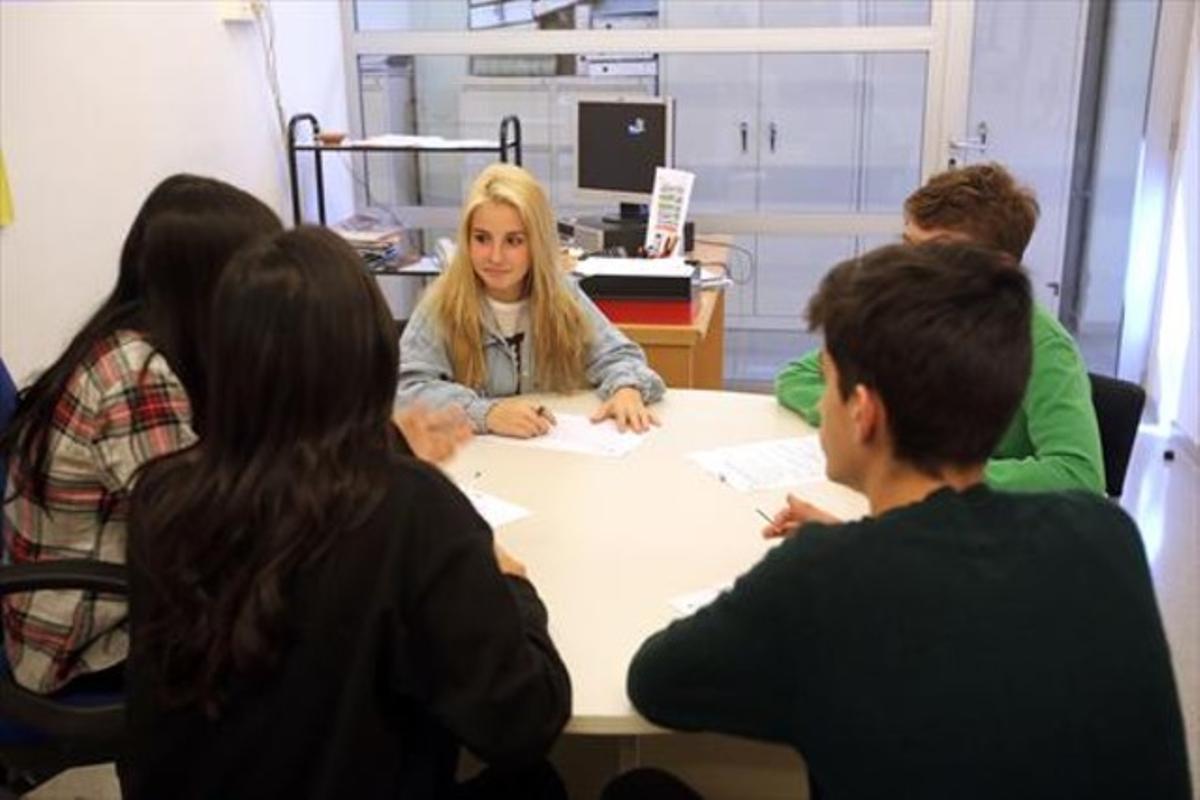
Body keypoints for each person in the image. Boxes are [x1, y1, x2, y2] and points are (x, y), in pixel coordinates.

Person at [623, 244, 1190, 799]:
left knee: (640, 789)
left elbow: (654, 683)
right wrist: (858, 544)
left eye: (827, 384)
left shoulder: (822, 578)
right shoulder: (1104, 532)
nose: (821, 406)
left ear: (863, 412)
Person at [121, 226, 571, 799]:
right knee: (539, 784)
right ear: (372, 353)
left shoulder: (161, 495)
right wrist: (512, 588)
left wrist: (389, 442)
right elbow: (524, 721)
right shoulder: (409, 508)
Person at [0, 174, 282, 694]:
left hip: (104, 602)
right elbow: (212, 533)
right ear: (212, 283)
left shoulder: (138, 340)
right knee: (311, 629)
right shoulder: (137, 374)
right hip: (82, 644)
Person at [775, 162, 1104, 495]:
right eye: (908, 246)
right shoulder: (907, 314)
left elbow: (1078, 474)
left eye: (937, 253)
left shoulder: (1044, 344)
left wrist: (928, 471)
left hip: (991, 526)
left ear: (1000, 267)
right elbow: (798, 376)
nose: (910, 266)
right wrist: (864, 428)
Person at [398, 163, 665, 438]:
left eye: (513, 241)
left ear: (536, 243)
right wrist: (485, 413)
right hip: (474, 462)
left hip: (548, 460)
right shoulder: (442, 304)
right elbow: (405, 391)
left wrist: (626, 388)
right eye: (482, 239)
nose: (495, 257)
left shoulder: (562, 296)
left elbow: (618, 355)